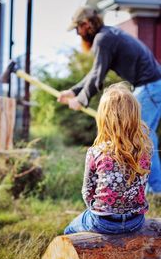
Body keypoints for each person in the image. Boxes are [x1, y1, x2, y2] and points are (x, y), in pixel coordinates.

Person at [58, 5, 161, 194]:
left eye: (77, 28)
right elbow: (96, 71)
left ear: (86, 24)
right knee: (145, 137)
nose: (77, 33)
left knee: (142, 138)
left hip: (149, 87)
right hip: (150, 86)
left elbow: (98, 76)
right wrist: (74, 92)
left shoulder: (103, 39)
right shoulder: (108, 35)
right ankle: (153, 189)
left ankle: (153, 190)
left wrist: (81, 100)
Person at [64, 82, 152, 235]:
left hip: (103, 222)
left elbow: (87, 191)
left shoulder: (96, 151)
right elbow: (142, 187)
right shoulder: (144, 151)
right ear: (134, 117)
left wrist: (97, 208)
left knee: (70, 230)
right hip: (136, 221)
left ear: (103, 119)